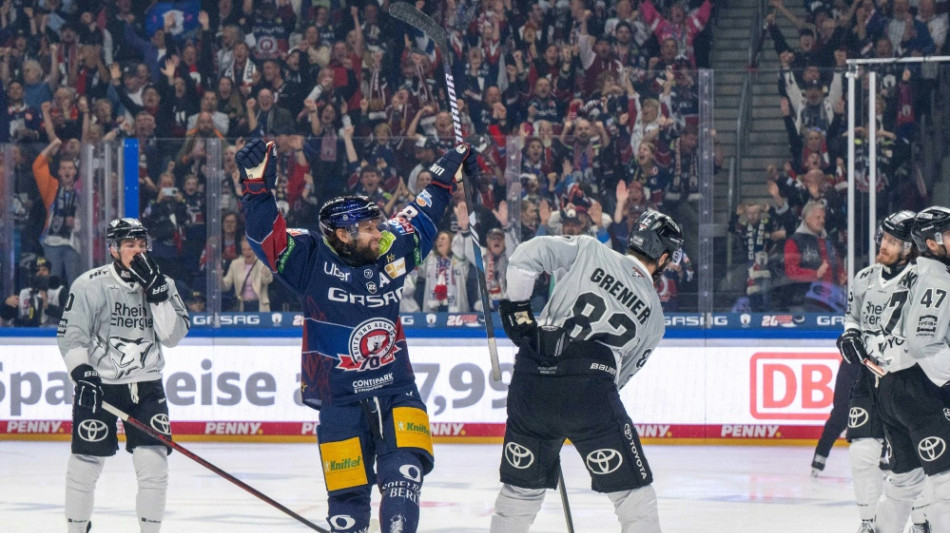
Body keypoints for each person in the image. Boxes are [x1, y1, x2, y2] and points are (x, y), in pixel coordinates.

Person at [237, 138, 478, 533]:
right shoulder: (311, 257)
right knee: (347, 507)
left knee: (404, 478)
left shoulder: (391, 247)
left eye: (376, 225)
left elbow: (424, 212)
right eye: (367, 229)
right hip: (339, 401)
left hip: (397, 391)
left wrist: (446, 173)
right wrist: (257, 190)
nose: (378, 232)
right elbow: (268, 239)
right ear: (343, 234)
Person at [491, 209, 685, 532]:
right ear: (663, 257)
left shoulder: (590, 249)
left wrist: (518, 312)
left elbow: (525, 256)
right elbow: (617, 380)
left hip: (532, 376)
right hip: (589, 391)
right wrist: (574, 406)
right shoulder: (655, 318)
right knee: (634, 499)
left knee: (519, 494)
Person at [58, 218, 190, 532]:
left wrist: (158, 296)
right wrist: (82, 372)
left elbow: (172, 337)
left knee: (154, 466)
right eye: (130, 245)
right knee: (85, 464)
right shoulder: (89, 284)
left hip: (147, 387)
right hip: (101, 388)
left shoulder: (164, 284)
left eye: (142, 244)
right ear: (114, 249)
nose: (138, 251)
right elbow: (72, 336)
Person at [834, 210, 931, 533]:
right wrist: (849, 336)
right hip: (869, 378)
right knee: (862, 452)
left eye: (893, 241)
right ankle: (868, 522)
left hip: (910, 380)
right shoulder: (864, 277)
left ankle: (922, 520)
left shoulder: (924, 280)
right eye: (884, 238)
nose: (884, 245)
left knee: (918, 458)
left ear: (910, 247)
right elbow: (852, 317)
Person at [865, 206, 950, 533]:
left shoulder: (916, 271)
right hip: (918, 388)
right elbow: (921, 341)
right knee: (946, 483)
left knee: (906, 481)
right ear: (932, 243)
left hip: (893, 386)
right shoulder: (937, 278)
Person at [220, 237, 274, 312]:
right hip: (242, 307)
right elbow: (226, 286)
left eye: (249, 249)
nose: (247, 252)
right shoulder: (235, 264)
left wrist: (266, 272)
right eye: (244, 250)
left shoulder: (262, 262)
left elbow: (267, 281)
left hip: (260, 307)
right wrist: (219, 277)